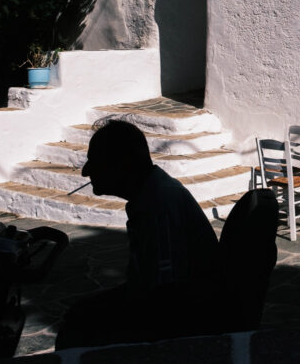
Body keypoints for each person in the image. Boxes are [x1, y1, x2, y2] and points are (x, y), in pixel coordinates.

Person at [55, 119, 222, 349]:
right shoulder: (151, 197)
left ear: (121, 164)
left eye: (95, 161)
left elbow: (166, 297)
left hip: (183, 327)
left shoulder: (158, 205)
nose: (86, 172)